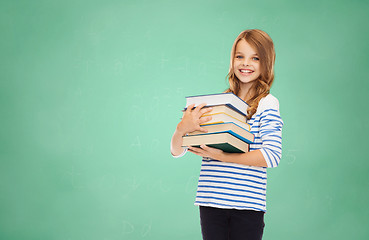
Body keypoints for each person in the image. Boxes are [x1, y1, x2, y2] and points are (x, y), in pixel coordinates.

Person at [170, 29, 283, 240]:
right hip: (211, 201)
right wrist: (181, 129)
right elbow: (177, 151)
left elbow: (272, 156)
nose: (245, 63)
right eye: (239, 56)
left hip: (247, 205)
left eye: (255, 58)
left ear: (266, 63)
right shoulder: (218, 103)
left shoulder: (267, 103)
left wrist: (222, 156)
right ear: (232, 60)